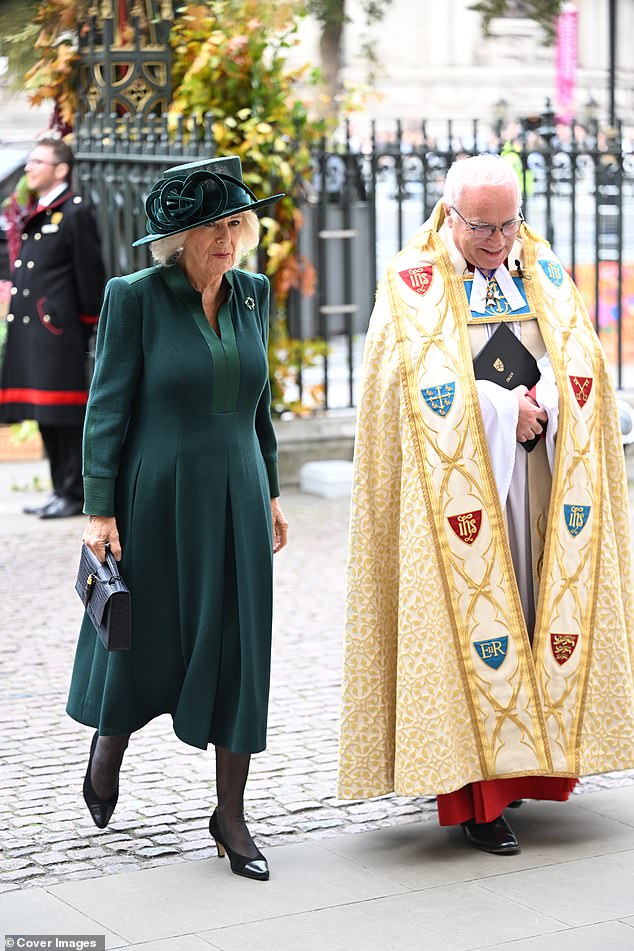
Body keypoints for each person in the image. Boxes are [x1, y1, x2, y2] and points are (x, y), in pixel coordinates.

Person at [339, 153, 634, 856]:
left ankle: (531, 769)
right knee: (471, 630)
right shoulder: (411, 288)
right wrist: (501, 411)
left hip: (537, 484)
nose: (499, 242)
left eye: (509, 224)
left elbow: (584, 363)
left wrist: (554, 403)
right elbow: (402, 400)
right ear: (449, 215)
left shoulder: (542, 270)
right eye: (483, 228)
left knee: (534, 614)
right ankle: (478, 797)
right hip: (460, 503)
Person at [66, 156, 288, 882]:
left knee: (239, 646)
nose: (225, 238)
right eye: (207, 227)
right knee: (142, 636)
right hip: (155, 496)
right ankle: (110, 741)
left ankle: (230, 815)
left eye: (234, 223)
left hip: (240, 493)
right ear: (175, 238)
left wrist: (274, 490)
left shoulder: (253, 293)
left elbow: (259, 405)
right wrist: (99, 508)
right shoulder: (136, 297)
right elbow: (107, 406)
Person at [0, 137, 105, 518]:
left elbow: (90, 274)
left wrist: (89, 323)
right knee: (43, 413)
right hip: (34, 332)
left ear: (61, 169)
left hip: (58, 331)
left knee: (65, 415)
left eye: (37, 162)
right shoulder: (41, 209)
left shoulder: (73, 211)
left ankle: (74, 493)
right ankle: (58, 489)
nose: (29, 168)